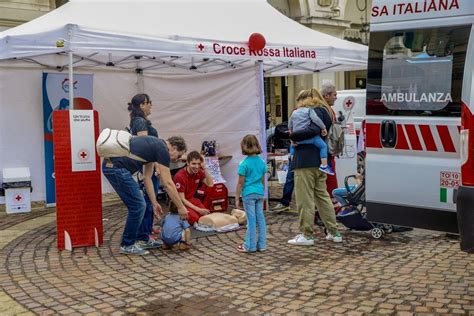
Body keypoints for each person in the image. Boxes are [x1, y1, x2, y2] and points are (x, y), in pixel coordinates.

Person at [102, 135, 188, 256]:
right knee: (138, 206)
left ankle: (142, 239)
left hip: (115, 168)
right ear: (173, 148)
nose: (176, 159)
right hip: (116, 168)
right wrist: (180, 207)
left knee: (141, 204)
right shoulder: (162, 149)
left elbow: (147, 177)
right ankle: (127, 244)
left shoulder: (156, 145)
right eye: (178, 155)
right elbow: (168, 183)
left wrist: (154, 203)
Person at [287, 88, 342, 245]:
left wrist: (292, 136)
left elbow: (303, 131)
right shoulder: (326, 112)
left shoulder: (308, 112)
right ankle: (334, 232)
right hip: (321, 160)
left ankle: (307, 235)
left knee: (305, 200)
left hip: (304, 161)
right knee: (323, 197)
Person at [127, 93, 160, 240]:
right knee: (147, 198)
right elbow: (145, 146)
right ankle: (144, 233)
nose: (151, 104)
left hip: (150, 164)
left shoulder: (140, 121)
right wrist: (156, 164)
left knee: (149, 196)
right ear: (141, 105)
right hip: (146, 166)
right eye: (149, 102)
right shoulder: (140, 122)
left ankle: (147, 228)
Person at [235, 134, 267, 252]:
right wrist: (263, 193)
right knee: (260, 218)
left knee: (251, 220)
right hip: (259, 192)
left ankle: (250, 245)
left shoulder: (244, 164)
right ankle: (262, 244)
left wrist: (237, 197)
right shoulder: (261, 162)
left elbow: (240, 183)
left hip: (248, 193)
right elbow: (263, 180)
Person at [288, 94, 334, 175]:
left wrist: (293, 136)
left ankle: (292, 165)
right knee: (323, 146)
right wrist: (323, 128)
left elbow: (289, 125)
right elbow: (316, 120)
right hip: (310, 139)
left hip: (298, 140)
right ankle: (324, 165)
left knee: (292, 147)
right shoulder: (309, 110)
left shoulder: (294, 112)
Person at [173, 150, 214, 225]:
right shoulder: (180, 176)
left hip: (191, 199)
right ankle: (175, 215)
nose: (197, 166)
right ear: (187, 163)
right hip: (180, 202)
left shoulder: (199, 172)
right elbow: (182, 199)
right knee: (195, 219)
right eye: (194, 164)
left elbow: (210, 184)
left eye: (199, 164)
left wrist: (204, 167)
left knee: (205, 214)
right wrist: (198, 210)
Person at [320, 82, 340, 206]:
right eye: (334, 94)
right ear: (326, 95)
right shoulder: (325, 109)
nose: (336, 97)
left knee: (328, 181)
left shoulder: (326, 109)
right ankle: (330, 209)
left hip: (327, 152)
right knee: (328, 182)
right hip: (326, 153)